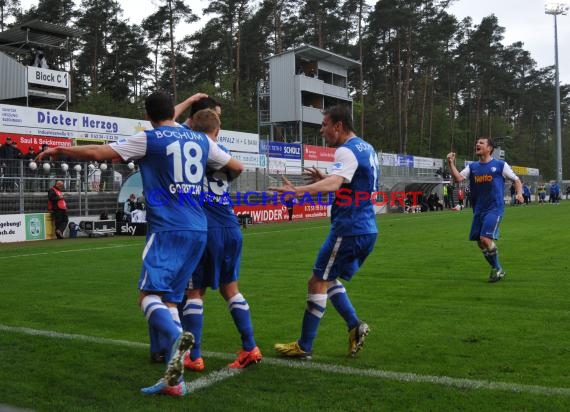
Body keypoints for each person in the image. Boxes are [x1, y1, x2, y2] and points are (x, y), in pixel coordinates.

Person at [36, 91, 243, 397]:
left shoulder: (150, 138)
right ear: (171, 112)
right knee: (170, 300)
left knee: (147, 297)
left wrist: (59, 149)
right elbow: (236, 166)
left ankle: (176, 335)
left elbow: (96, 153)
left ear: (147, 116)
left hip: (168, 229)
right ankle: (175, 381)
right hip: (200, 228)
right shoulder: (199, 140)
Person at [270, 105, 378, 359]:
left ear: (338, 126)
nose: (322, 130)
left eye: (325, 124)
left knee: (317, 281)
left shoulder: (345, 149)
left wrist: (297, 191)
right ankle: (354, 326)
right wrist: (327, 177)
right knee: (328, 279)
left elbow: (336, 182)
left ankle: (304, 345)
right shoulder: (366, 147)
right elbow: (350, 182)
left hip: (349, 227)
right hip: (366, 228)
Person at [179, 108, 262, 372]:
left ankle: (195, 355)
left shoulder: (189, 149)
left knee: (194, 292)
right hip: (230, 225)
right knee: (231, 290)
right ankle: (250, 347)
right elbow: (236, 169)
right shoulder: (223, 151)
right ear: (218, 131)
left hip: (205, 228)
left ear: (193, 128)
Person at [447, 138, 523, 283]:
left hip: (494, 208)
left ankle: (498, 268)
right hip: (478, 209)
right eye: (476, 143)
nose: (477, 144)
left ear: (490, 148)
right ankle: (498, 268)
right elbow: (458, 178)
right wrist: (450, 163)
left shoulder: (500, 165)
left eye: (481, 143)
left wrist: (519, 193)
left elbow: (516, 180)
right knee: (479, 242)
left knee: (485, 239)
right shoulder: (473, 166)